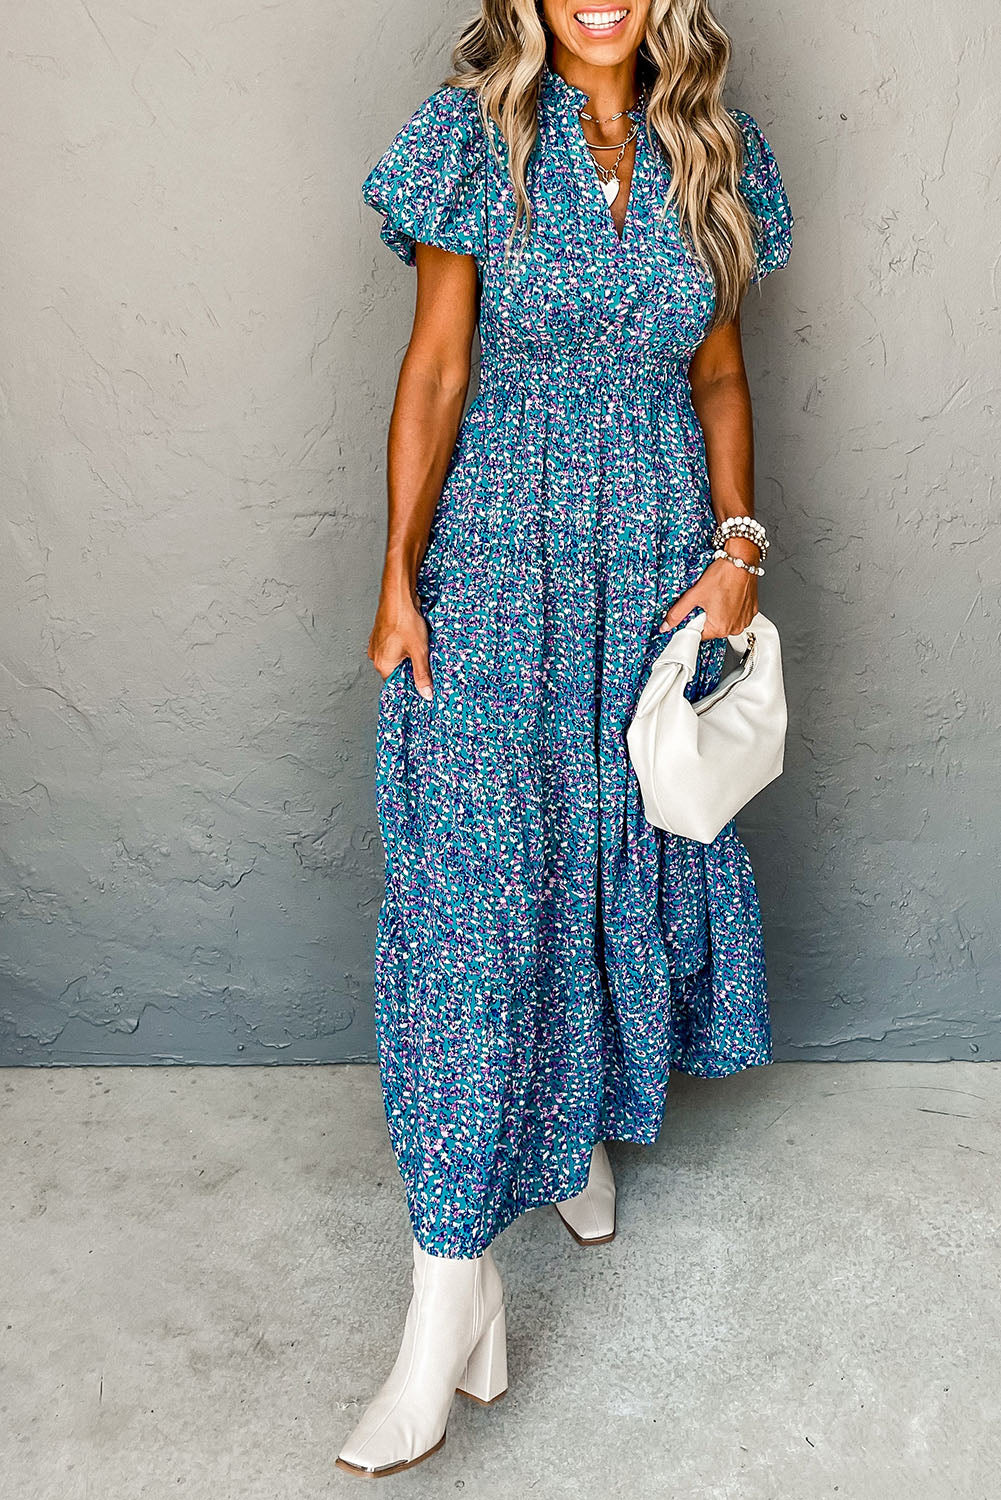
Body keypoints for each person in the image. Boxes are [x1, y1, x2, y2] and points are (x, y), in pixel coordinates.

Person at [338, 0, 793, 1476]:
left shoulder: (711, 150)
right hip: (498, 554)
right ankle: (446, 1298)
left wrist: (736, 547)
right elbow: (435, 373)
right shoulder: (470, 139)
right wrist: (399, 577)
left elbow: (715, 370)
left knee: (610, 855)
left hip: (654, 548)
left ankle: (578, 1128)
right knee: (470, 906)